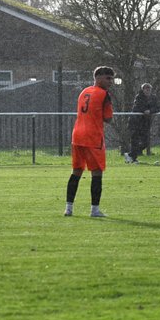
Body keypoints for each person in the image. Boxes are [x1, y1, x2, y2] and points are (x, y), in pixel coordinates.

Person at [64, 66, 115, 218]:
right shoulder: (104, 94)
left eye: (111, 79)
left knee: (76, 171)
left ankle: (68, 208)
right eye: (108, 78)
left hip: (77, 135)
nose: (110, 82)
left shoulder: (84, 91)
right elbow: (108, 118)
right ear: (98, 77)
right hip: (93, 137)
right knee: (97, 173)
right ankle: (94, 210)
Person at [124, 83, 159, 164]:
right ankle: (133, 158)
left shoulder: (153, 98)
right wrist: (144, 110)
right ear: (143, 90)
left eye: (149, 89)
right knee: (135, 141)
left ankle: (130, 155)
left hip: (145, 123)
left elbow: (157, 108)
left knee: (145, 142)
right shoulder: (139, 97)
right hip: (135, 122)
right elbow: (138, 106)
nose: (147, 90)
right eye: (146, 89)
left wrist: (150, 111)